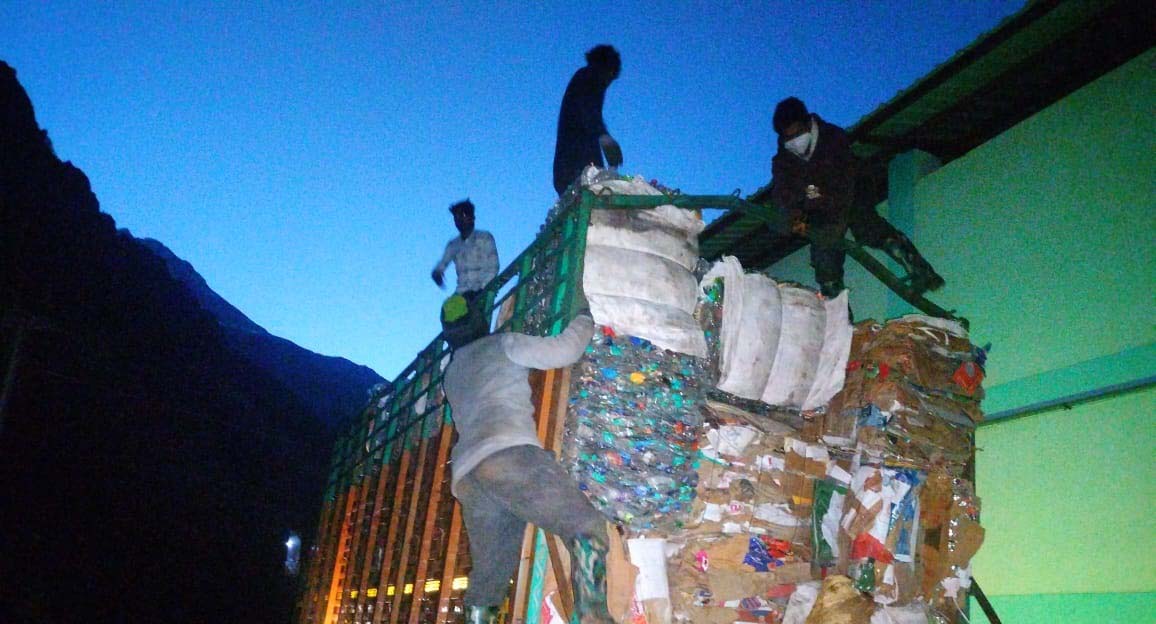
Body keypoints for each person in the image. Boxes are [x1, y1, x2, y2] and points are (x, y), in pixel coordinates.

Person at [440, 289, 612, 624]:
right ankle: (592, 618)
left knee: (489, 578)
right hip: (509, 457)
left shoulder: (452, 374)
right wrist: (584, 317)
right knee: (586, 527)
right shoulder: (501, 344)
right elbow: (565, 350)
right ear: (479, 320)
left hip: (468, 478)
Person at [766, 96, 944, 297]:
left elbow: (844, 189)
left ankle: (921, 272)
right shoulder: (783, 161)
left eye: (797, 133)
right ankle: (837, 306)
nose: (794, 141)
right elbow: (783, 195)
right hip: (818, 204)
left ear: (807, 124)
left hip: (852, 189)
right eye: (788, 137)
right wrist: (791, 218)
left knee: (866, 225)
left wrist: (835, 228)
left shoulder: (832, 137)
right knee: (823, 254)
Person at [553, 45, 624, 196]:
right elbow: (586, 108)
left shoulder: (583, 78)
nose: (608, 83)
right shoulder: (588, 76)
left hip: (569, 166)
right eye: (611, 76)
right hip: (576, 165)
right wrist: (604, 136)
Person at [432, 199, 499, 307]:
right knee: (447, 310)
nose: (459, 220)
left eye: (463, 215)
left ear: (472, 217)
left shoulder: (485, 238)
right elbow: (442, 263)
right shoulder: (453, 245)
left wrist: (482, 289)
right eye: (456, 217)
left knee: (471, 314)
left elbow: (493, 267)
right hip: (461, 294)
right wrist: (437, 273)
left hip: (482, 292)